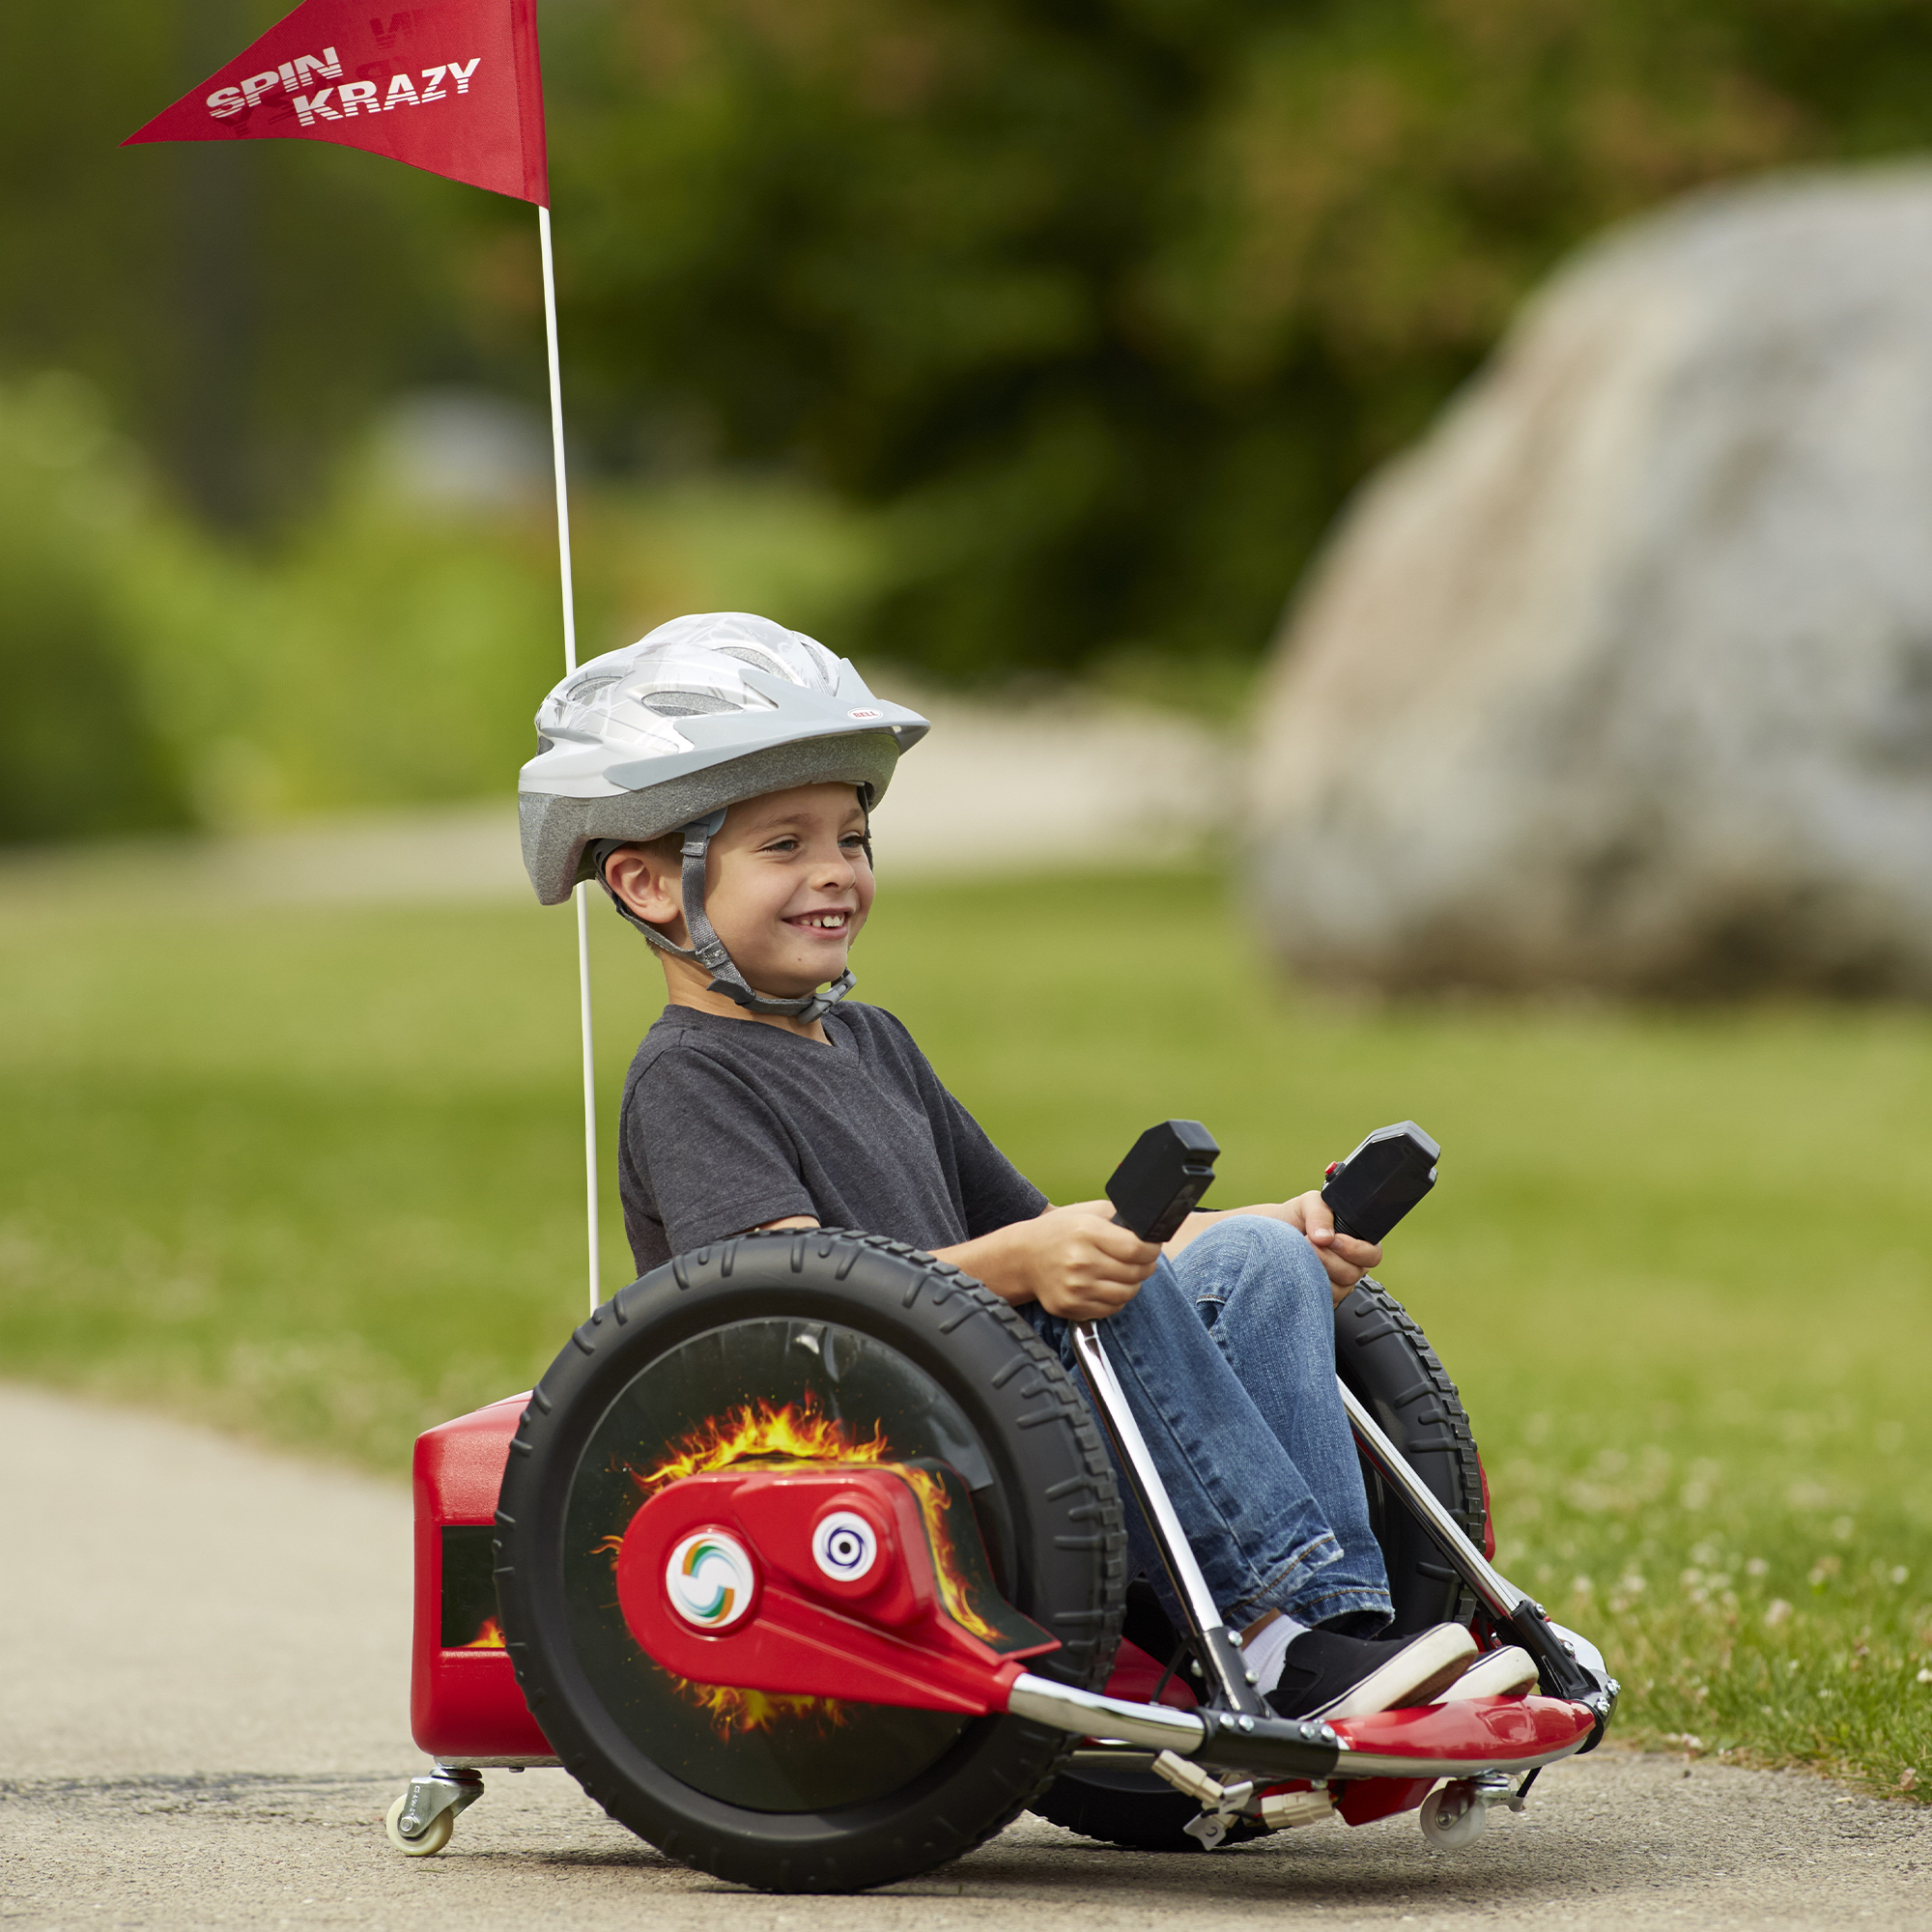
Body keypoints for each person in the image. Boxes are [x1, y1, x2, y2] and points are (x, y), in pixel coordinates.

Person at [519, 611, 1526, 1721]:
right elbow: (773, 1297)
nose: (834, 872)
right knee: (1109, 1294)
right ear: (650, 885)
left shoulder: (875, 1043)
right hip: (856, 1436)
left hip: (987, 1394)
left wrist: (1272, 1227)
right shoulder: (691, 1076)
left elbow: (1045, 1229)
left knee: (1253, 1260)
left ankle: (1343, 1626)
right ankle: (1272, 1635)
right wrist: (1026, 1263)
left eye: (849, 838)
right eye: (782, 845)